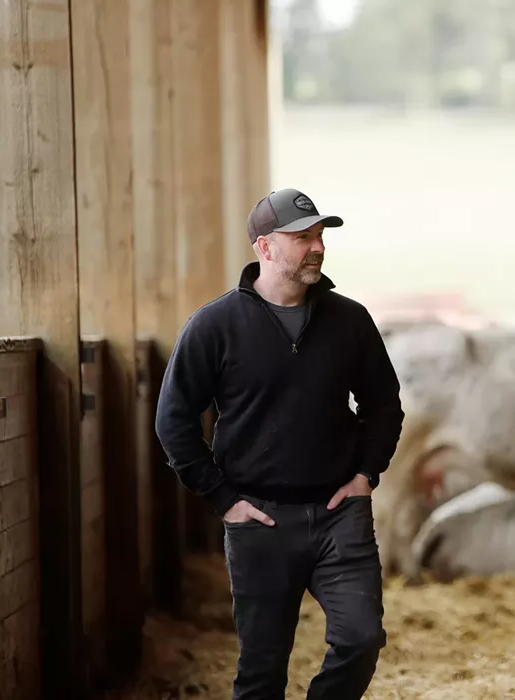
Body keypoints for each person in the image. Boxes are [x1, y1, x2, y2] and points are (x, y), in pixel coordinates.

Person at [155, 187, 405, 700]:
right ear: (265, 248)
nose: (317, 247)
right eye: (301, 237)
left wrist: (366, 475)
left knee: (361, 639)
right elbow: (174, 421)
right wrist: (223, 500)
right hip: (260, 520)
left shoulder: (349, 320)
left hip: (341, 514)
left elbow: (384, 404)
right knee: (262, 671)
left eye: (319, 236)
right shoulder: (215, 326)